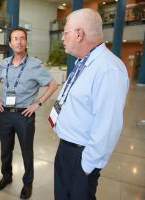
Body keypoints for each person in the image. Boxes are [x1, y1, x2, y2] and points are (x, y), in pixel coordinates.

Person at [49, 8, 129, 200]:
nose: (62, 38)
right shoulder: (83, 63)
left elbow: (108, 126)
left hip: (81, 156)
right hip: (66, 149)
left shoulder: (108, 69)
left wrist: (87, 165)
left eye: (65, 32)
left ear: (79, 34)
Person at [0, 27, 58, 199]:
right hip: (5, 113)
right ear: (10, 43)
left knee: (27, 151)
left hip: (24, 115)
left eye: (22, 38)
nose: (19, 41)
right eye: (15, 38)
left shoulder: (34, 65)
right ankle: (6, 176)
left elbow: (53, 84)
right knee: (5, 150)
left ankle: (28, 183)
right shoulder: (5, 63)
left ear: (26, 42)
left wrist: (38, 103)